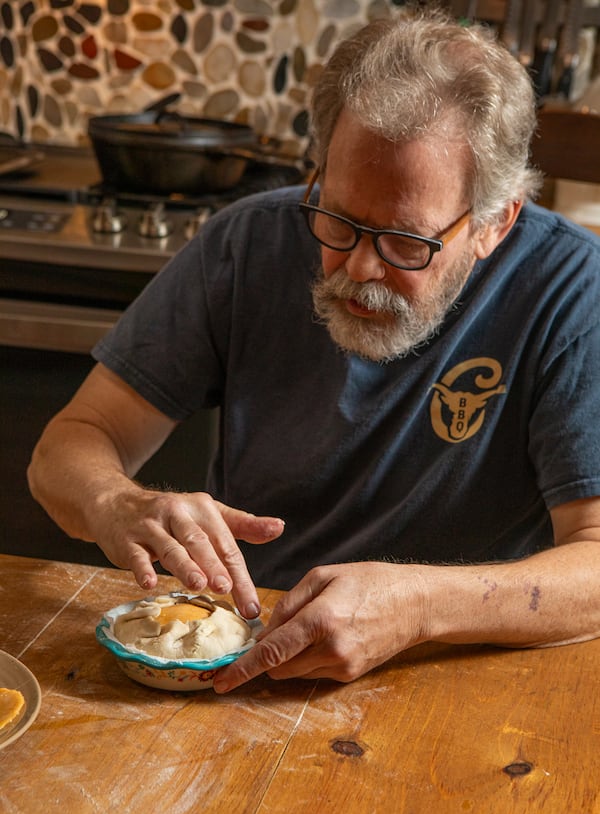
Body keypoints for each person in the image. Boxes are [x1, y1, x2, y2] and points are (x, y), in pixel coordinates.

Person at [28, 7, 600, 693]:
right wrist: (117, 502)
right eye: (339, 219)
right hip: (248, 660)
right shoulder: (246, 245)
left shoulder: (572, 289)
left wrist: (419, 609)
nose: (358, 268)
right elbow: (66, 448)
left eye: (404, 242)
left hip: (456, 680)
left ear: (493, 224)